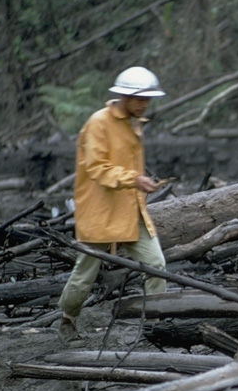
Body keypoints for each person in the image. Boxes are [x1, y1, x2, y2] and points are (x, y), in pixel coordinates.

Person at [56, 66, 168, 342]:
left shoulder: (134, 122)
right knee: (85, 273)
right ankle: (67, 320)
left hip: (131, 211)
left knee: (156, 265)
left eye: (148, 100)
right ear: (124, 96)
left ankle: (157, 324)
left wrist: (138, 182)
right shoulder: (98, 123)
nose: (145, 104)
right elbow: (97, 168)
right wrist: (135, 179)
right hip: (101, 211)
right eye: (140, 99)